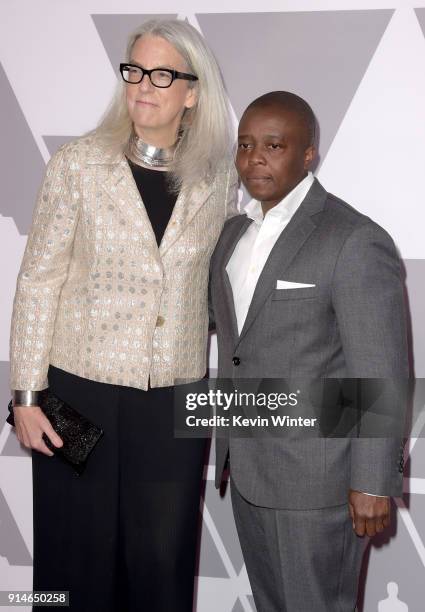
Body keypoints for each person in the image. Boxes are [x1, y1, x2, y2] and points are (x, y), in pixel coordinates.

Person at [9, 19, 237, 612]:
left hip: (175, 400)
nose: (143, 85)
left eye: (162, 74)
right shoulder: (78, 164)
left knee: (163, 566)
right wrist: (26, 395)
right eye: (134, 70)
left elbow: (214, 290)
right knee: (71, 559)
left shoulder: (218, 178)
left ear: (192, 92)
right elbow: (38, 280)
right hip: (76, 394)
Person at [209, 91, 408, 611]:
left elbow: (381, 369)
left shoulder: (353, 239)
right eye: (246, 145)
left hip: (319, 480)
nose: (255, 158)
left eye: (274, 145)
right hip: (248, 468)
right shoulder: (232, 236)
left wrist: (372, 479)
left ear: (307, 154)